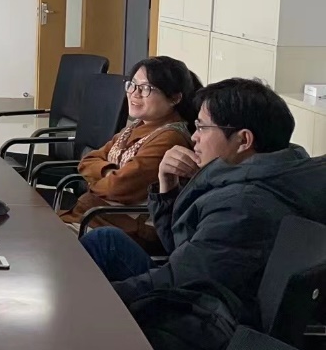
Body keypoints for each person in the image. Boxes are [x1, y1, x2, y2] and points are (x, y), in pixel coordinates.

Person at [81, 78, 326, 318]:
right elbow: (181, 247)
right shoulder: (266, 172)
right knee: (106, 241)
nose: (193, 137)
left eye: (202, 127)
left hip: (204, 316)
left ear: (243, 140)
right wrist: (167, 187)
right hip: (197, 288)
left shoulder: (243, 207)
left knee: (88, 293)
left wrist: (98, 298)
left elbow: (179, 280)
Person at [58, 57, 201, 249]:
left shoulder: (169, 138)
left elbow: (116, 187)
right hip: (93, 217)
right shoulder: (136, 126)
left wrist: (97, 180)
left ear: (175, 98)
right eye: (132, 85)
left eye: (146, 88)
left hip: (119, 231)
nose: (134, 93)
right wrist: (109, 172)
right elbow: (87, 160)